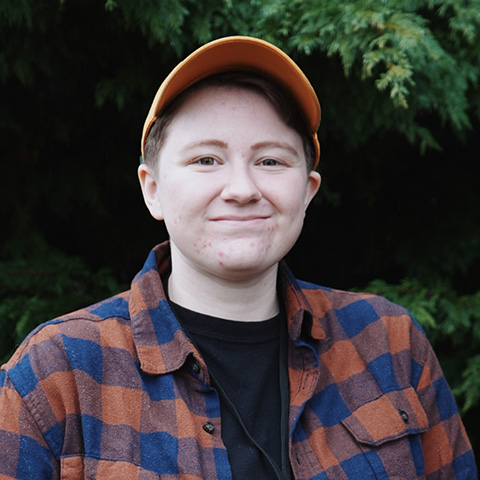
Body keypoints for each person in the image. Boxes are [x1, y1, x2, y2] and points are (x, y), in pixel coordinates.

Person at [0, 36, 476, 480]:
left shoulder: (390, 343)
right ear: (152, 190)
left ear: (307, 191)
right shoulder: (56, 373)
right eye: (206, 160)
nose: (244, 189)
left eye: (271, 160)